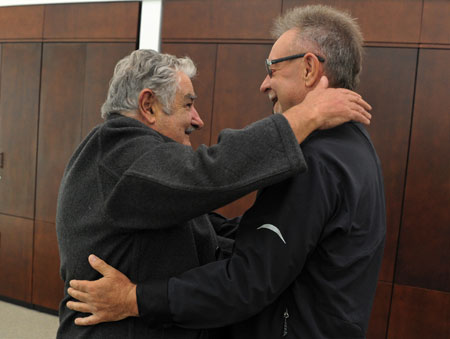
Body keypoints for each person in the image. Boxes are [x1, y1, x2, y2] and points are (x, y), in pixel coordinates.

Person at [56, 45, 372, 338]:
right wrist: (307, 115)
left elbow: (199, 228)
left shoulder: (144, 169)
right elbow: (207, 174)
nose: (197, 119)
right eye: (188, 104)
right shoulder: (116, 152)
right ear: (148, 106)